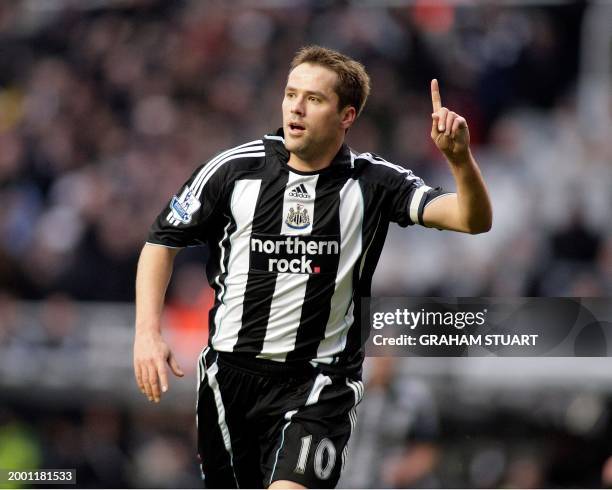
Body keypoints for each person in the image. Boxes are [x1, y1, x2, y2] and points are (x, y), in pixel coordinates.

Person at [133, 45, 492, 489]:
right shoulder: (234, 170)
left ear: (347, 116)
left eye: (314, 99)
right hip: (230, 378)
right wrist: (148, 332)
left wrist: (459, 160)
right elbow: (161, 240)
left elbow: (472, 220)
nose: (296, 108)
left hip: (320, 383)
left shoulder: (374, 183)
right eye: (290, 94)